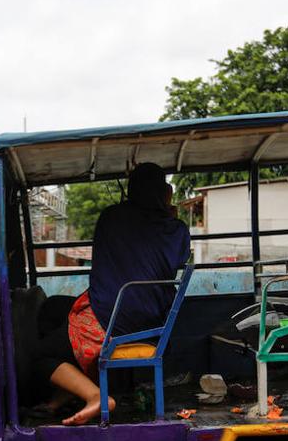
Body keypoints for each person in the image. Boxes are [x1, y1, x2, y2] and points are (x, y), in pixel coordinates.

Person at [32, 163, 190, 425]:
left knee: (39, 356)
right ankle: (65, 394)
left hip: (113, 318)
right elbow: (177, 259)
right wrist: (169, 214)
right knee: (53, 309)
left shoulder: (112, 217)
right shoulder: (177, 229)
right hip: (153, 316)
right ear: (164, 192)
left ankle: (96, 396)